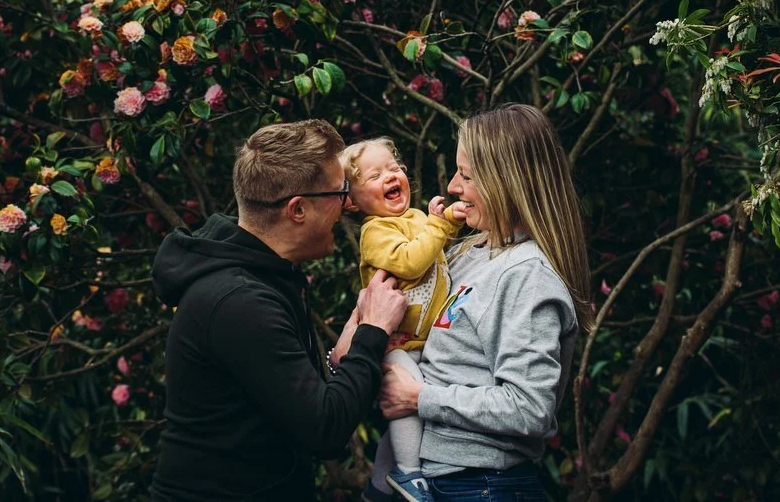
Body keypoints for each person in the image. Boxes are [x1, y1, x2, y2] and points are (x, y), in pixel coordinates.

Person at [150, 119, 408, 501]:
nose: (348, 203)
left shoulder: (267, 273)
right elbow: (325, 431)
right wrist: (373, 330)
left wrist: (342, 358)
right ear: (298, 209)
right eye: (340, 191)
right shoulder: (239, 302)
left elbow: (289, 400)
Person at [375, 103, 593, 501]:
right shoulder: (471, 252)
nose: (453, 186)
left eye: (467, 175)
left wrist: (419, 398)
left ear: (507, 182)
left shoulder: (528, 275)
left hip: (482, 486)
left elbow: (528, 408)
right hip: (446, 482)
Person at [338, 138, 465, 502]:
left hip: (422, 341)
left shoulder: (414, 218)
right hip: (396, 344)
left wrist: (448, 223)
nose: (390, 177)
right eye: (375, 176)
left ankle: (379, 487)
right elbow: (411, 261)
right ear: (352, 202)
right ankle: (409, 473)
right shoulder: (375, 232)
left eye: (394, 169)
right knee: (407, 401)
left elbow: (434, 245)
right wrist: (438, 227)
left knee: (407, 413)